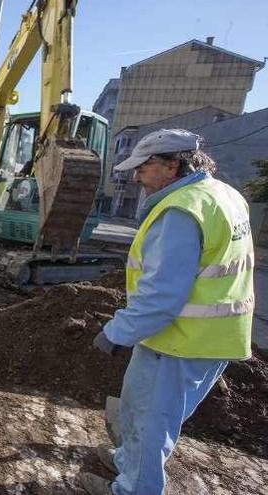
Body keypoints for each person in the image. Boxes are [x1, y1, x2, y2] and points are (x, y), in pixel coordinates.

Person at [78, 129, 254, 495]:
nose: (136, 175)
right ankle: (128, 462)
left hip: (181, 340)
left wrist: (116, 332)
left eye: (143, 167)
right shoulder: (225, 195)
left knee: (150, 423)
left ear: (173, 165)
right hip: (208, 337)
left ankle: (133, 489)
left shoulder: (180, 211)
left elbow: (161, 295)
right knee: (139, 409)